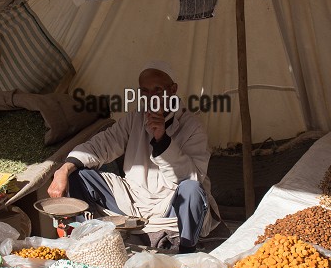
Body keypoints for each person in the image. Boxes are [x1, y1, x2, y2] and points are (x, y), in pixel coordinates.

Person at [47, 62, 218, 252]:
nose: (151, 97)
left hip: (169, 201)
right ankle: (89, 243)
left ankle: (187, 252)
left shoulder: (193, 126)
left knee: (193, 189)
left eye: (158, 90)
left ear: (172, 90)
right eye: (145, 91)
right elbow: (102, 144)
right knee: (76, 176)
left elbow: (191, 177)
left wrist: (162, 139)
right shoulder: (135, 118)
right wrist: (64, 168)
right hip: (133, 198)